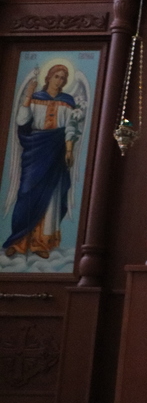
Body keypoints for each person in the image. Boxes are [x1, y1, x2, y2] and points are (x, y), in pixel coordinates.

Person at [4, 65, 86, 258]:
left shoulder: (67, 101)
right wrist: (28, 95)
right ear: (48, 77)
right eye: (56, 76)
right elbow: (22, 121)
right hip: (35, 150)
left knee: (51, 195)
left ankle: (41, 243)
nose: (59, 80)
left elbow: (71, 126)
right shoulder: (35, 98)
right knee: (26, 192)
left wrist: (69, 149)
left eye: (63, 78)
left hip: (56, 151)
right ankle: (18, 241)